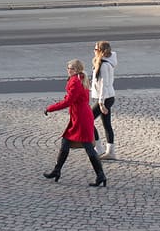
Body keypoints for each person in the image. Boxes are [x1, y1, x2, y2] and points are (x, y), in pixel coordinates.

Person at [43, 58, 107, 187]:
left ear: (76, 70)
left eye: (71, 68)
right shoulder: (81, 78)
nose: (68, 70)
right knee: (65, 142)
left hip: (81, 117)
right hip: (80, 115)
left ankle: (101, 175)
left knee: (88, 147)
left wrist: (50, 108)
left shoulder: (75, 82)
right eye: (68, 68)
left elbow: (68, 101)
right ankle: (57, 170)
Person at [91, 41, 117, 159]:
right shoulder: (101, 63)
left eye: (96, 49)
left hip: (106, 98)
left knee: (87, 119)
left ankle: (99, 149)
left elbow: (104, 84)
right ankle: (109, 152)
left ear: (101, 51)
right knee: (107, 124)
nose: (94, 51)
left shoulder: (104, 65)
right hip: (107, 97)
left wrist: (101, 103)